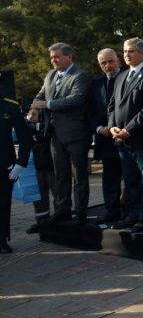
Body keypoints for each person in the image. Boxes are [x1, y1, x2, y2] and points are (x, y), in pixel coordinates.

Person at [29, 43, 92, 225]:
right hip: (55, 135)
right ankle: (62, 210)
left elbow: (76, 99)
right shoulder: (51, 75)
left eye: (56, 57)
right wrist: (35, 109)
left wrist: (47, 105)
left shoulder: (81, 75)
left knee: (79, 176)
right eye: (51, 58)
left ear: (69, 57)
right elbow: (40, 96)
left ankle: (80, 212)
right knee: (60, 175)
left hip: (76, 134)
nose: (53, 60)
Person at [108, 38, 143, 232]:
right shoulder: (121, 76)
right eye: (124, 51)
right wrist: (112, 127)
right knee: (130, 180)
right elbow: (112, 106)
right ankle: (131, 215)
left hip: (141, 139)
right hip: (122, 140)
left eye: (131, 51)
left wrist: (128, 130)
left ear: (142, 54)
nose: (126, 54)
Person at [89, 48, 124, 224]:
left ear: (118, 60)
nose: (108, 65)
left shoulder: (128, 77)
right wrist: (98, 128)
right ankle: (112, 209)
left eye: (110, 61)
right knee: (110, 176)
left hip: (126, 135)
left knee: (132, 176)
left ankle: (132, 210)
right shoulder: (96, 83)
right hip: (105, 137)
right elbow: (91, 111)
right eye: (103, 63)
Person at [0, 95, 32, 253]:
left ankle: (1, 239)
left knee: (3, 203)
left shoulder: (9, 107)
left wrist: (21, 163)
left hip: (4, 165)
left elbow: (25, 137)